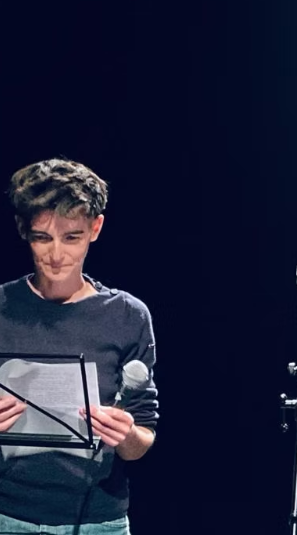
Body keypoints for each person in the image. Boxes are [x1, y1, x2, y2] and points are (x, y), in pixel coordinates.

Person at [0, 158, 159, 534]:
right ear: (23, 230)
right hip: (7, 514)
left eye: (72, 237)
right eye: (43, 237)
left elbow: (142, 437)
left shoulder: (127, 315)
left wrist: (126, 435)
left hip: (97, 521)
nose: (57, 255)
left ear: (95, 228)